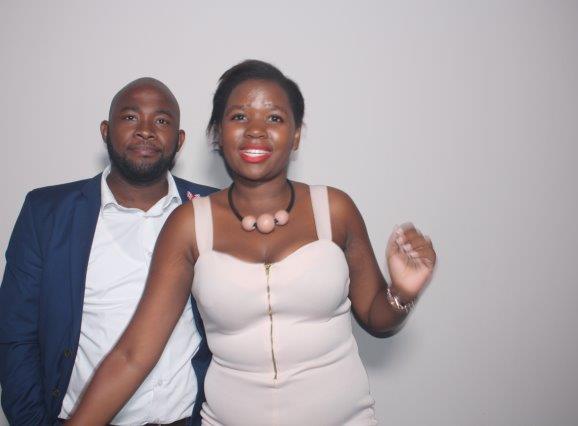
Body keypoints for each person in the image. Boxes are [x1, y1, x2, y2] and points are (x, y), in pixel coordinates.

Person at [67, 60, 437, 425]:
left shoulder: (335, 210)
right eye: (239, 117)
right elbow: (133, 355)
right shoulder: (187, 225)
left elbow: (377, 317)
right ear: (217, 134)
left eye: (274, 118)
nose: (256, 130)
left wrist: (402, 292)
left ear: (296, 135)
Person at [0, 78, 217, 425]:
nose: (145, 130)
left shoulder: (213, 209)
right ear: (105, 131)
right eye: (130, 117)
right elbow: (15, 335)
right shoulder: (47, 213)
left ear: (179, 140)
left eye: (161, 120)